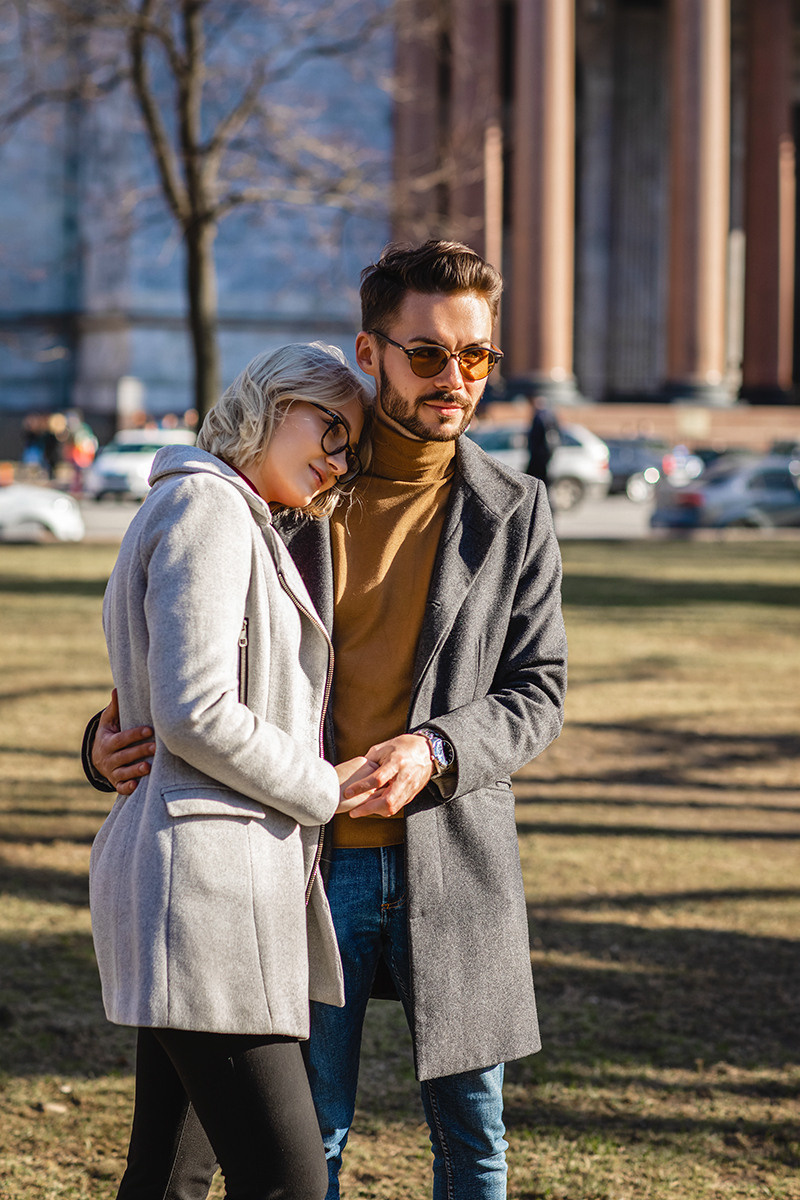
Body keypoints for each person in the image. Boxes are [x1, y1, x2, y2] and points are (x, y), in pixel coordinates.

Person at [85, 241, 568, 1200]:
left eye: (476, 355)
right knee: (314, 1137)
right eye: (428, 354)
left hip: (451, 847)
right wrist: (104, 744)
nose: (455, 377)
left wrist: (437, 749)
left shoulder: (515, 509)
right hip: (299, 861)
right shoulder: (294, 484)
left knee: (475, 1139)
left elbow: (538, 690)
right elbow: (182, 663)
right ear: (372, 352)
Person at [87, 341, 375, 1200]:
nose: (338, 459)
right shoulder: (208, 507)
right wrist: (325, 786)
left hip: (203, 881)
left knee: (168, 1178)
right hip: (206, 893)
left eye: (352, 447)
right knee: (289, 1182)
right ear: (275, 403)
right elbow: (196, 708)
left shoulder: (226, 510)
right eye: (331, 428)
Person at [524, 394, 561, 487]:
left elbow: (536, 437)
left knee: (535, 477)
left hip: (539, 453)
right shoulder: (551, 415)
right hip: (547, 452)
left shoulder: (540, 416)